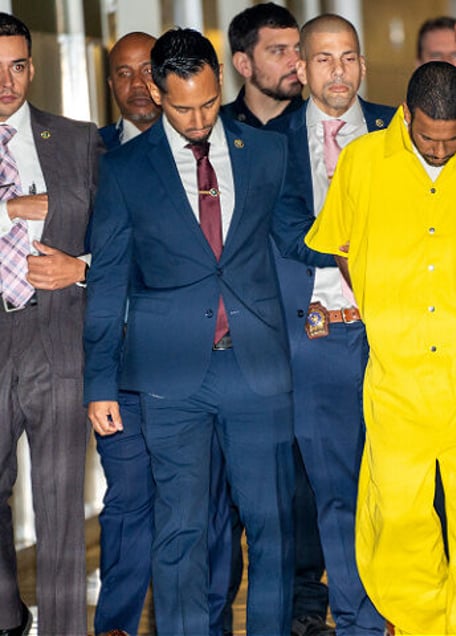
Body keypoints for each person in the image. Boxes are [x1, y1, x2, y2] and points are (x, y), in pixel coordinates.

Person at [85, 28, 296, 635]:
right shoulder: (125, 170)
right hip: (170, 378)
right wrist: (100, 382)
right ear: (157, 90)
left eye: (207, 103)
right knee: (179, 530)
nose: (198, 118)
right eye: (182, 108)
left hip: (257, 369)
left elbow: (294, 236)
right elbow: (109, 281)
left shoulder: (267, 153)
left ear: (219, 83)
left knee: (272, 528)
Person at [305, 62, 456, 635]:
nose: (442, 149)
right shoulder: (362, 161)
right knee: (397, 522)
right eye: (429, 136)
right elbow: (344, 250)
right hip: (394, 382)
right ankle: (425, 626)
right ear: (405, 116)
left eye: (453, 138)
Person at [94, 31, 239, 636]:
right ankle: (119, 626)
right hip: (128, 370)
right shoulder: (96, 154)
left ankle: (206, 620)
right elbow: (101, 263)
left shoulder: (229, 151)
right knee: (133, 505)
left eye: (141, 71)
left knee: (211, 512)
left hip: (208, 363)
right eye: (121, 73)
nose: (134, 85)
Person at [268, 13, 393, 636]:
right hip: (316, 335)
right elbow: (290, 235)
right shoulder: (271, 143)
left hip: (399, 335)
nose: (338, 71)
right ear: (301, 68)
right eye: (324, 59)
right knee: (336, 489)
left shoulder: (401, 127)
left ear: (363, 65)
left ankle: (411, 610)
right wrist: (357, 244)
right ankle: (359, 619)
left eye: (348, 58)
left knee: (403, 488)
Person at [222, 7, 331, 634]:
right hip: (234, 335)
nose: (296, 62)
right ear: (244, 63)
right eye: (281, 51)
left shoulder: (316, 129)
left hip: (310, 325)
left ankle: (306, 608)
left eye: (301, 50)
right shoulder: (211, 129)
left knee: (309, 482)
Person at [0, 12, 102, 636]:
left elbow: (114, 229)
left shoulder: (76, 138)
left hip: (56, 333)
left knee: (62, 505)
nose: (5, 82)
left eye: (16, 66)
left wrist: (79, 266)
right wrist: (13, 206)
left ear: (32, 68)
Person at [222, 2, 303, 128]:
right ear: (244, 65)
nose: (296, 61)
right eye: (278, 51)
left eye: (298, 49)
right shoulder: (216, 129)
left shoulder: (325, 129)